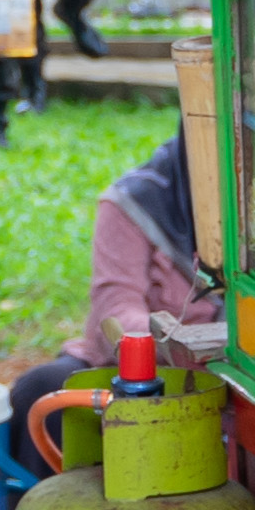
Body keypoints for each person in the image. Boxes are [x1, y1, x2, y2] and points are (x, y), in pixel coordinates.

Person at [83, 131, 225, 373]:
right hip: (148, 368)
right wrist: (183, 343)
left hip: (252, 374)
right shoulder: (134, 202)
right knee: (41, 384)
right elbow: (115, 313)